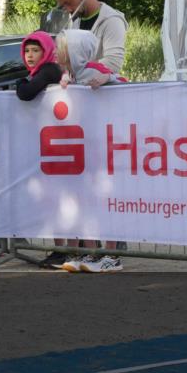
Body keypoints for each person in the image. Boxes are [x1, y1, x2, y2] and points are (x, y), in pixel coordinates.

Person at [47, 29, 124, 274]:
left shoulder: (94, 70)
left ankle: (111, 255)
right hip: (84, 149)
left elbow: (119, 81)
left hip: (104, 148)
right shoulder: (71, 74)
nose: (57, 53)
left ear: (74, 50)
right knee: (87, 205)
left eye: (61, 48)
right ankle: (92, 252)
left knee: (104, 203)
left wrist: (107, 80)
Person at [55, 0, 128, 75]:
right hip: (80, 88)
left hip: (102, 89)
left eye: (68, 2)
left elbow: (113, 63)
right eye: (63, 6)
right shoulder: (76, 21)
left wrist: (79, 69)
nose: (67, 9)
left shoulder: (112, 20)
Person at [15, 31, 62, 102]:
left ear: (46, 52)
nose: (29, 55)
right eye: (26, 51)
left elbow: (25, 93)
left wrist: (20, 82)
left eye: (35, 50)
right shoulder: (39, 70)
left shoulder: (50, 69)